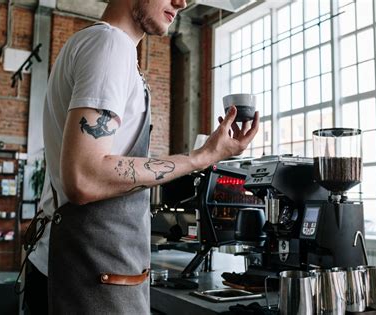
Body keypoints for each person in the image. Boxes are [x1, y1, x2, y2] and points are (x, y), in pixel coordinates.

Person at [23, 0, 259, 313]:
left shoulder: (101, 46)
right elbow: (84, 176)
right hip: (87, 274)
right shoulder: (110, 47)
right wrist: (199, 158)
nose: (182, 3)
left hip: (86, 268)